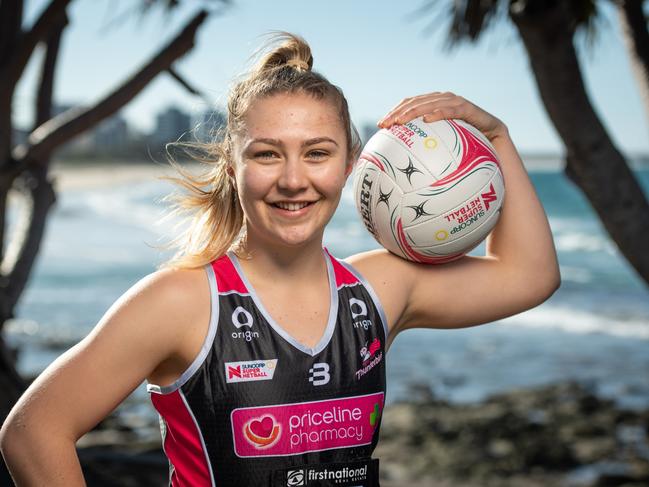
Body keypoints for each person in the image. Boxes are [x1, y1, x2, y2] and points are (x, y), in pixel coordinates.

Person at [0, 32, 560, 487]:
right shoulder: (183, 301)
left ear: (351, 169)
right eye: (267, 155)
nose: (294, 181)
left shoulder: (377, 291)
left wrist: (497, 137)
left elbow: (530, 275)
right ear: (233, 168)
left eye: (317, 153)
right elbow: (33, 430)